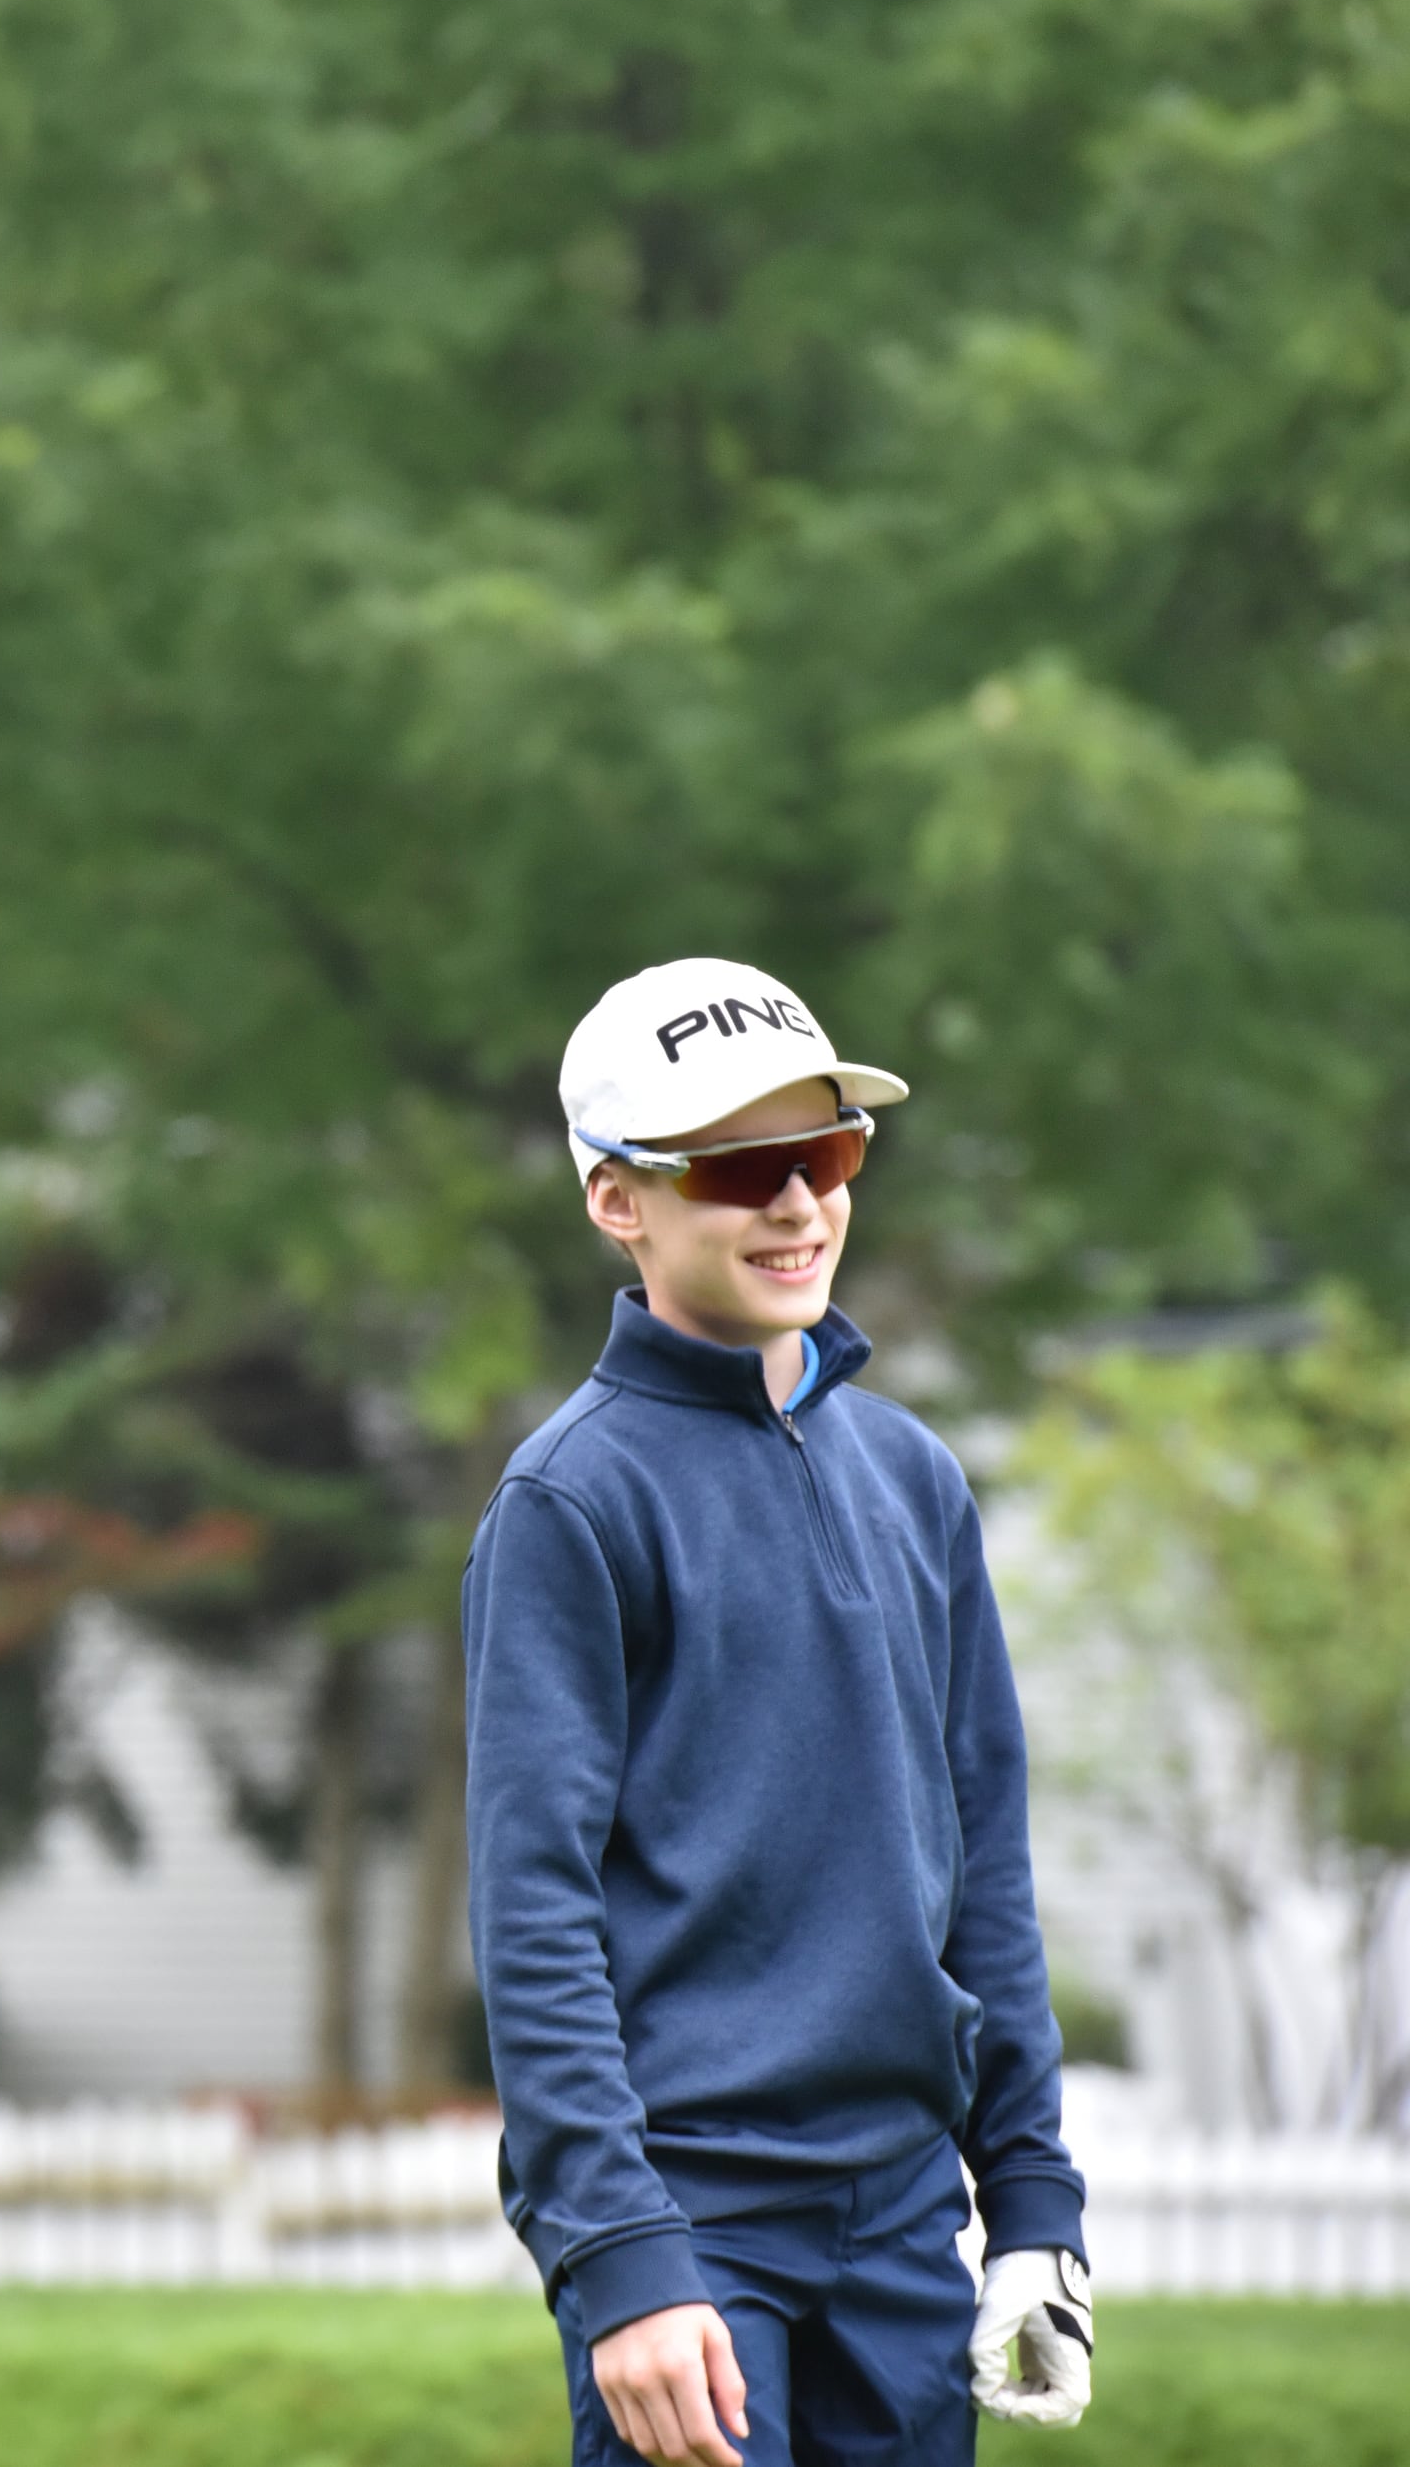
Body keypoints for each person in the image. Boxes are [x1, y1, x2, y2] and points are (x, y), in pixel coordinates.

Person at [463, 960, 1096, 2467]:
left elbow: (982, 1865)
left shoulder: (915, 1478)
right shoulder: (569, 1501)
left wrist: (1033, 2208)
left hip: (900, 2221)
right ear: (620, 1198)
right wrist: (620, 2256)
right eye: (747, 1166)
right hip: (692, 2232)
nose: (802, 1204)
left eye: (833, 1154)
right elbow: (534, 1908)